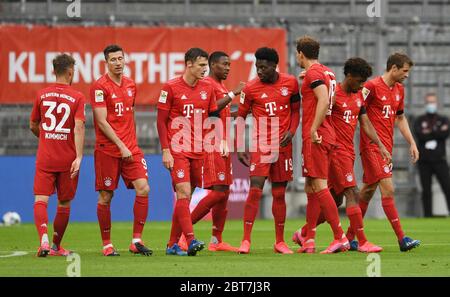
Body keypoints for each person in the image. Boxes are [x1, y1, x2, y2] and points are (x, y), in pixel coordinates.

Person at [293, 57, 391, 253]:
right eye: (359, 81)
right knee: (352, 192)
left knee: (335, 200)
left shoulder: (358, 96)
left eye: (364, 81)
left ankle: (304, 233)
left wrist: (380, 144)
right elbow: (317, 101)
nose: (362, 85)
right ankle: (360, 241)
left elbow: (365, 123)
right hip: (336, 151)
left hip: (348, 152)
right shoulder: (333, 93)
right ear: (349, 76)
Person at [350, 52, 420, 252]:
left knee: (368, 191)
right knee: (388, 189)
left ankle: (349, 237)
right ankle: (402, 239)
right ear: (394, 68)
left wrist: (412, 142)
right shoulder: (371, 87)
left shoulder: (399, 90)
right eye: (405, 71)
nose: (407, 75)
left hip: (386, 148)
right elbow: (357, 110)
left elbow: (400, 118)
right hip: (372, 146)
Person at [236, 47, 301, 254]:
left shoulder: (290, 83)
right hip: (261, 145)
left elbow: (296, 111)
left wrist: (291, 132)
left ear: (274, 66)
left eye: (263, 67)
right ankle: (245, 240)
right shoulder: (250, 89)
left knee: (279, 193)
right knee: (255, 189)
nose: (259, 71)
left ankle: (279, 242)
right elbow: (240, 116)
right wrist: (240, 144)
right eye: (257, 67)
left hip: (283, 146)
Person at [178, 51, 245, 252]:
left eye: (229, 64)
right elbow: (212, 111)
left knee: (224, 194)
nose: (227, 68)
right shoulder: (208, 85)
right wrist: (234, 94)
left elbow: (222, 113)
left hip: (222, 143)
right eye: (224, 64)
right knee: (217, 193)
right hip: (211, 143)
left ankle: (216, 240)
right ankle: (184, 234)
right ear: (213, 65)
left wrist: (241, 112)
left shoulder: (220, 87)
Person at [90, 45, 152, 256]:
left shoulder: (131, 85)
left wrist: (130, 144)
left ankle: (136, 241)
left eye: (120, 58)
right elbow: (101, 120)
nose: (118, 63)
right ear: (106, 63)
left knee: (143, 188)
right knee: (106, 196)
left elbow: (129, 115)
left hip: (131, 149)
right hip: (108, 149)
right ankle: (107, 244)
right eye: (113, 59)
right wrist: (121, 145)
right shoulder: (100, 87)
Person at [157, 48, 218, 256]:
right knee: (183, 193)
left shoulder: (208, 88)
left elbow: (212, 117)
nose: (205, 69)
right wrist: (166, 150)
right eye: (201, 65)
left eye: (206, 65)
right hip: (177, 149)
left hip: (198, 150)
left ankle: (171, 244)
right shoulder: (171, 87)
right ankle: (190, 240)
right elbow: (161, 121)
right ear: (189, 64)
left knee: (185, 198)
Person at [294, 36, 348, 254]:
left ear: (300, 54)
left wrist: (314, 128)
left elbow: (324, 100)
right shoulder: (326, 72)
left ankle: (340, 237)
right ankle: (309, 240)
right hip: (327, 133)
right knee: (310, 186)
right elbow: (326, 95)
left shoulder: (315, 74)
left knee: (320, 186)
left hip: (317, 135)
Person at [30, 53, 85, 257]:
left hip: (46, 156)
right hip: (67, 159)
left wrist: (46, 137)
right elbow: (78, 127)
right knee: (64, 202)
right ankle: (55, 246)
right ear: (70, 72)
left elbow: (33, 125)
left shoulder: (41, 95)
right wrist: (78, 157)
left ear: (54, 71)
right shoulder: (78, 97)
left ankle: (43, 240)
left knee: (41, 199)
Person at [414, 93, 450, 217]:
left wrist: (430, 132)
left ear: (437, 103)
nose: (431, 105)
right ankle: (427, 215)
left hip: (440, 160)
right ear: (426, 103)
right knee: (426, 191)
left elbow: (445, 134)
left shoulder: (443, 119)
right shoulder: (420, 120)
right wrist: (436, 131)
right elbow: (420, 135)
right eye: (429, 102)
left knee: (447, 187)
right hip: (424, 161)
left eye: (433, 102)